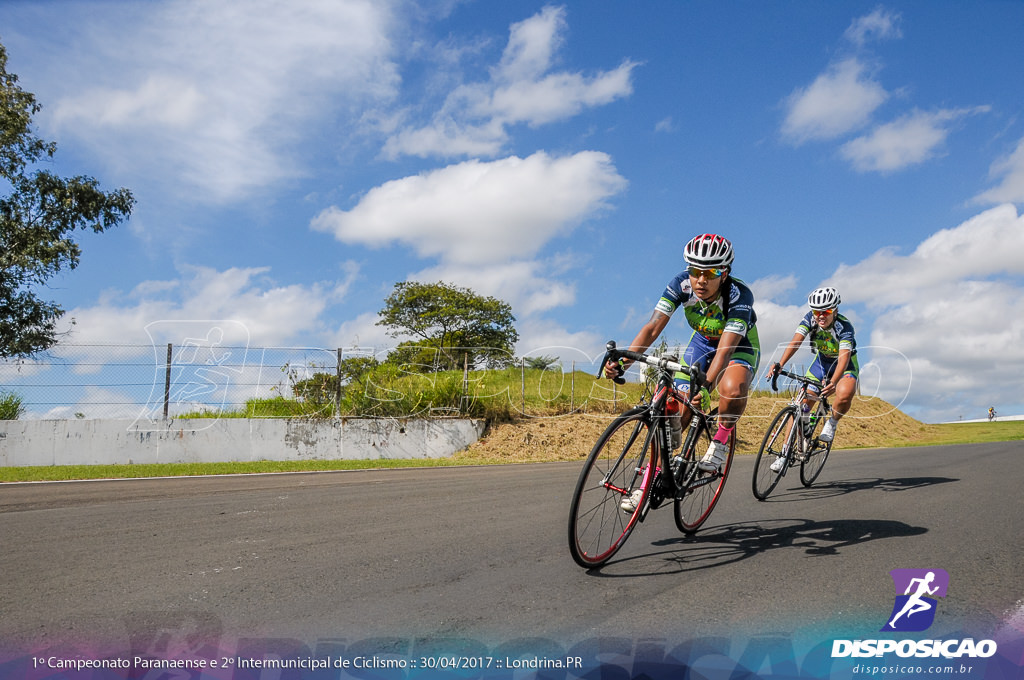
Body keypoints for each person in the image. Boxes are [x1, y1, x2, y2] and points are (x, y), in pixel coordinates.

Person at [605, 233, 760, 511]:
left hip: (737, 346)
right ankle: (649, 483)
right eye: (695, 270)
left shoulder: (739, 296)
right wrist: (623, 363)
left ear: (724, 273)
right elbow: (653, 327)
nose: (701, 279)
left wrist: (706, 385)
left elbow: (724, 351)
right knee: (676, 410)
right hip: (701, 344)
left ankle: (721, 439)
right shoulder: (681, 285)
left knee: (731, 388)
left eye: (710, 272)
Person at [768, 286, 858, 471]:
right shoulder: (810, 319)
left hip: (843, 365)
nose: (820, 316)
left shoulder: (844, 327)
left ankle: (832, 423)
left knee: (845, 392)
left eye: (826, 311)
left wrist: (834, 381)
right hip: (821, 364)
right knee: (800, 406)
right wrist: (781, 364)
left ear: (835, 310)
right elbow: (796, 341)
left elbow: (843, 358)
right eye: (817, 311)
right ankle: (785, 454)